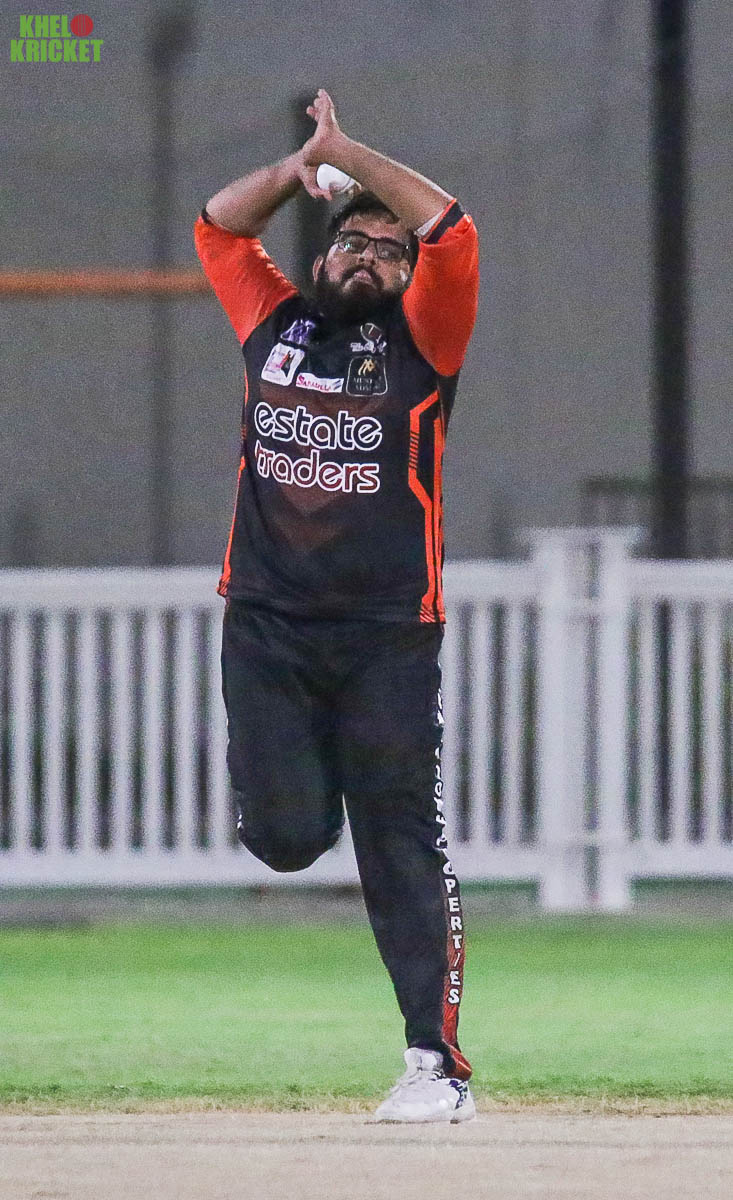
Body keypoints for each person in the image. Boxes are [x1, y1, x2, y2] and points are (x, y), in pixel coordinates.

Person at [194, 89, 479, 1123]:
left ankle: (435, 1068)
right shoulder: (270, 321)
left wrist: (349, 151)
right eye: (352, 241)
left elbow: (453, 230)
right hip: (266, 625)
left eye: (389, 251)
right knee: (281, 838)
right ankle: (296, 815)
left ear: (410, 276)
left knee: (400, 838)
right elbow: (218, 227)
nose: (368, 257)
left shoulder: (425, 342)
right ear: (319, 256)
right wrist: (293, 168)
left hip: (387, 635)